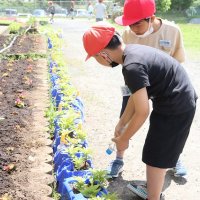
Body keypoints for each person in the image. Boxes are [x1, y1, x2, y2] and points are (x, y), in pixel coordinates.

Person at [82, 24, 197, 200]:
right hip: (174, 98)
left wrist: (124, 139)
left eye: (95, 57)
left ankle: (153, 197)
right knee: (155, 150)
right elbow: (136, 100)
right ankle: (153, 191)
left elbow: (143, 111)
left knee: (156, 155)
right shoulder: (132, 54)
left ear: (103, 54)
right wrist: (122, 123)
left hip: (176, 105)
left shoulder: (131, 66)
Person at [107, 0, 188, 180]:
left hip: (163, 87)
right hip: (137, 85)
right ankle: (118, 158)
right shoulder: (127, 34)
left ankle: (174, 158)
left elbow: (177, 62)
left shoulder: (172, 31)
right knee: (124, 120)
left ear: (151, 18)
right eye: (130, 24)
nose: (133, 28)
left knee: (170, 126)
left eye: (138, 23)